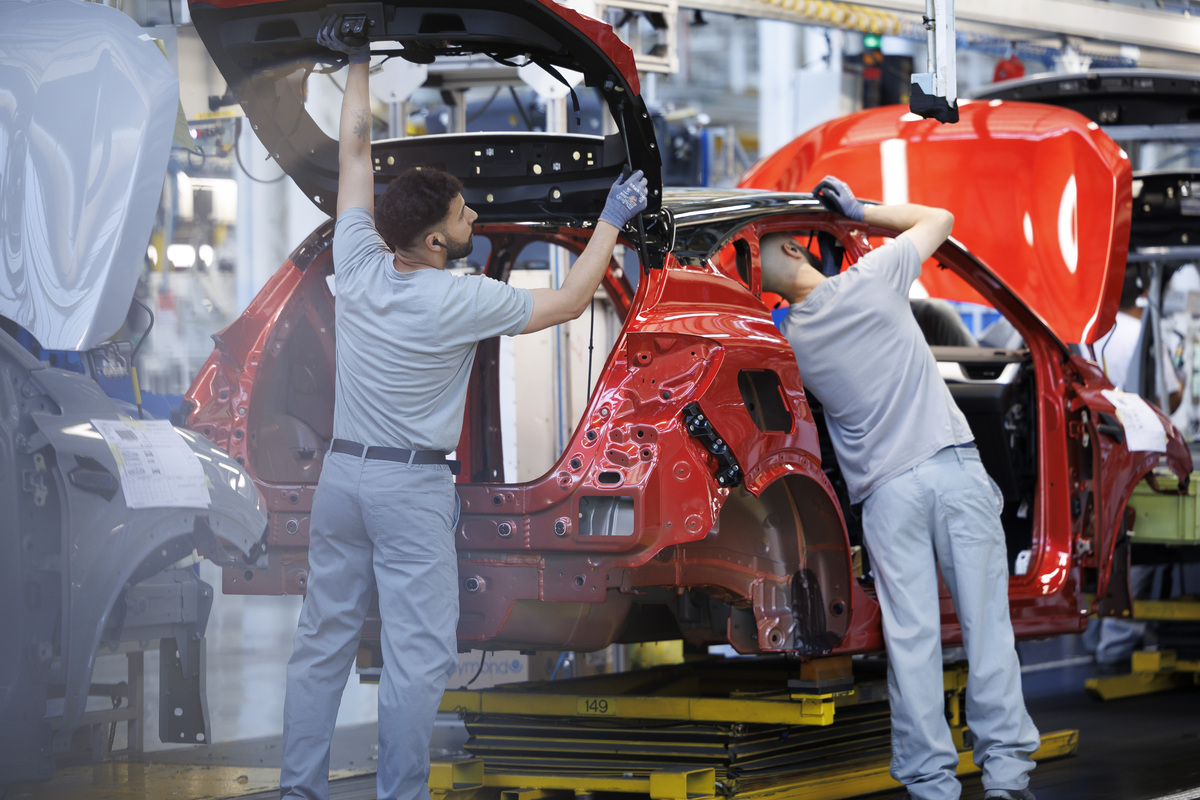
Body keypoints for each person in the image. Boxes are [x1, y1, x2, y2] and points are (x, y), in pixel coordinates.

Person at [279, 19, 648, 800]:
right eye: (463, 216)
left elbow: (353, 155)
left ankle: (298, 791)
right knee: (417, 657)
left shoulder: (360, 260)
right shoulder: (459, 301)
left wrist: (354, 60)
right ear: (438, 244)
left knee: (321, 646)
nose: (474, 218)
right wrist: (611, 220)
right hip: (410, 493)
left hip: (343, 482)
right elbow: (576, 298)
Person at [759, 176, 1039, 800]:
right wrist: (861, 213)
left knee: (912, 645)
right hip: (951, 471)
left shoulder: (792, 344)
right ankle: (1008, 778)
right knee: (986, 628)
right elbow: (940, 216)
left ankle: (931, 786)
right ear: (802, 251)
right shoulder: (874, 278)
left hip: (887, 498)